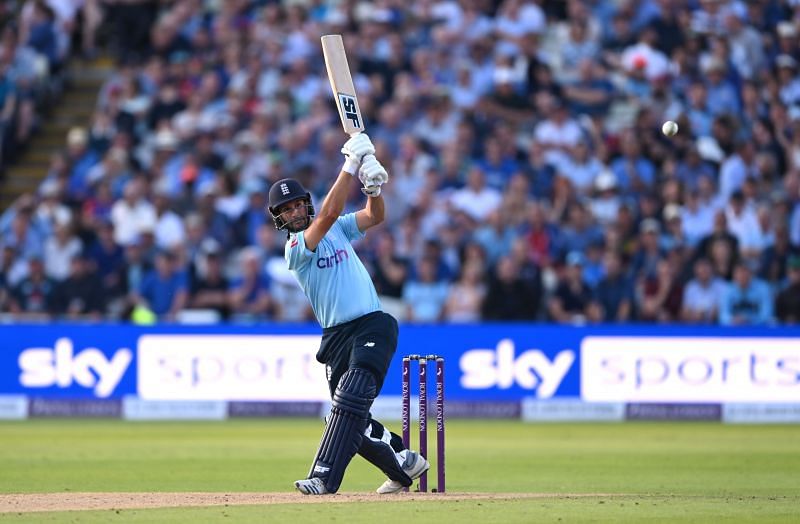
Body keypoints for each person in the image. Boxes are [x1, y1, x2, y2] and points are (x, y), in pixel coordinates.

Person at [266, 133, 428, 496]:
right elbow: (328, 214)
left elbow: (376, 216)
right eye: (286, 210)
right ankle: (404, 464)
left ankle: (324, 478)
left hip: (372, 323)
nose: (293, 212)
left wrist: (372, 187)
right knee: (345, 416)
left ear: (304, 205)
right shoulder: (295, 248)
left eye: (296, 205)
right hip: (336, 337)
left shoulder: (337, 228)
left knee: (351, 398)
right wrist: (350, 165)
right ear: (279, 219)